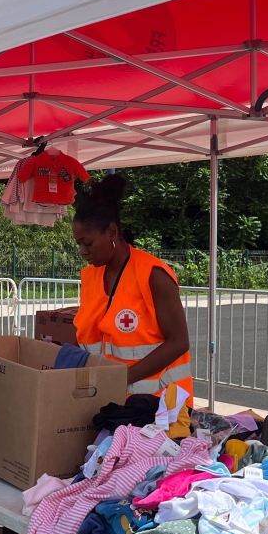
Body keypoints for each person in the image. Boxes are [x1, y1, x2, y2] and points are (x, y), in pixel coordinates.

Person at [71, 174, 193, 439]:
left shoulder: (153, 274)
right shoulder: (90, 277)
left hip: (161, 411)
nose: (82, 250)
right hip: (112, 405)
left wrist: (123, 377)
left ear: (112, 232)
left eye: (87, 242)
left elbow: (179, 342)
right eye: (79, 243)